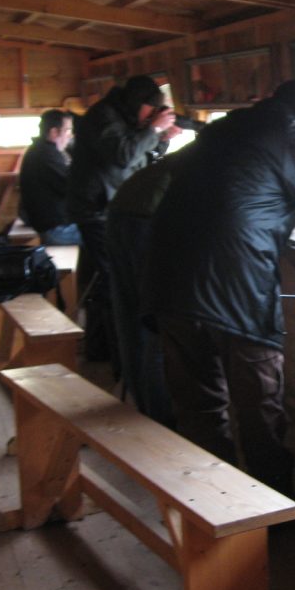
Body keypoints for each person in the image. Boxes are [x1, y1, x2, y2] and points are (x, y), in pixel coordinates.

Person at [142, 79, 295, 524]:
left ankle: (216, 512)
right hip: (234, 284)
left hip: (167, 277)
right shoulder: (293, 136)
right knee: (259, 400)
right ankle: (274, 513)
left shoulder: (223, 129)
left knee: (199, 405)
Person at [68, 76, 178, 368]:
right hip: (96, 210)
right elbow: (124, 155)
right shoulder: (103, 116)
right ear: (139, 103)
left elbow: (139, 158)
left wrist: (161, 139)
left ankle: (101, 350)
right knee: (113, 281)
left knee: (103, 280)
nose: (152, 116)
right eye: (151, 110)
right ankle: (119, 359)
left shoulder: (122, 117)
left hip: (109, 207)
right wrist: (155, 129)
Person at [105, 154, 177, 424]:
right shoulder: (230, 157)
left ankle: (144, 409)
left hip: (121, 212)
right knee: (157, 324)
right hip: (148, 220)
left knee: (131, 319)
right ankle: (160, 420)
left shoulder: (198, 152)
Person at [18, 108, 81, 246]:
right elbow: (72, 188)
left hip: (51, 225)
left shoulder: (41, 150)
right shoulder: (47, 155)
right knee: (108, 233)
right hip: (56, 230)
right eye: (68, 130)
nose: (70, 136)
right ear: (54, 132)